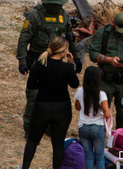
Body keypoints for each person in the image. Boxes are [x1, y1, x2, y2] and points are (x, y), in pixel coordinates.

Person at [16, 0, 82, 136]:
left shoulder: (63, 16)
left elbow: (70, 37)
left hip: (57, 60)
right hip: (38, 60)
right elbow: (23, 39)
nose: (59, 7)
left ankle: (51, 127)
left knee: (55, 94)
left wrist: (77, 58)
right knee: (34, 95)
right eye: (56, 4)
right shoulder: (34, 16)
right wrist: (22, 60)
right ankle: (30, 128)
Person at [21, 37, 80, 169]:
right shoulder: (66, 67)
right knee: (58, 144)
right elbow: (75, 84)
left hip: (42, 106)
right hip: (62, 108)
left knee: (32, 141)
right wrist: (71, 65)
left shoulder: (40, 65)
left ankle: (25, 166)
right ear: (63, 51)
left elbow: (31, 85)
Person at [88, 12, 123, 129]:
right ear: (113, 23)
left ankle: (120, 138)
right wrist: (109, 60)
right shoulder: (103, 34)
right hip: (106, 80)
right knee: (101, 111)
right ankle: (101, 136)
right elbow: (93, 54)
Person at [74, 66, 111, 169]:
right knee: (99, 157)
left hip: (83, 126)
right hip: (97, 127)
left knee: (88, 156)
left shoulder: (80, 91)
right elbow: (107, 114)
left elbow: (77, 107)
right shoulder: (101, 94)